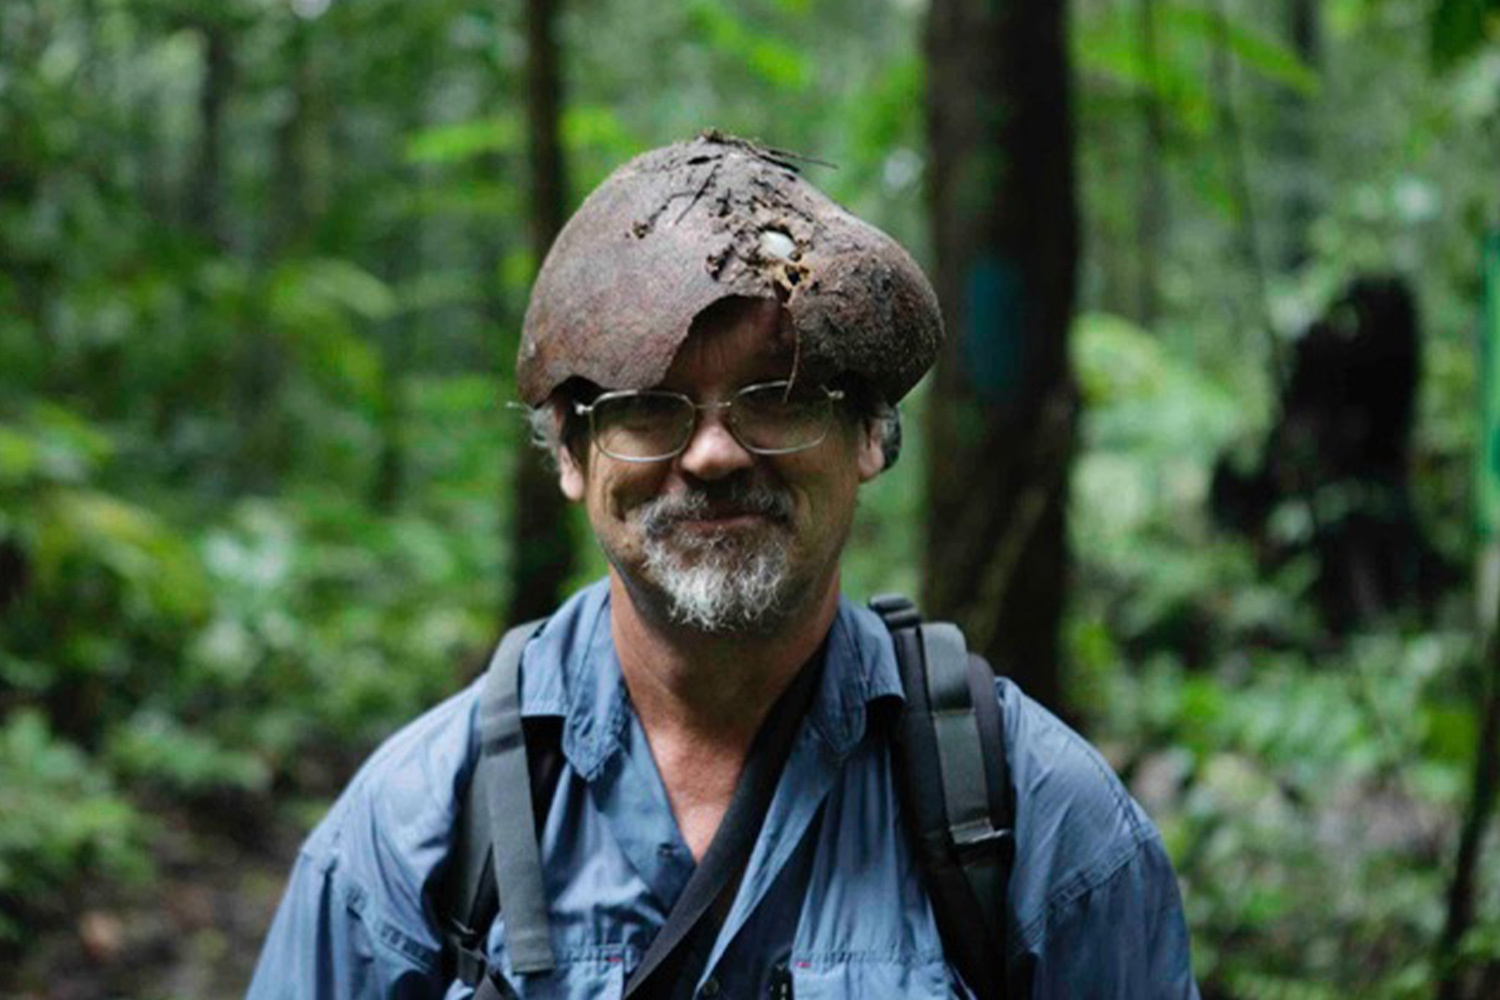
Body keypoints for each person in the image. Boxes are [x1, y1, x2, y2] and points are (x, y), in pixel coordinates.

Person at [247, 133, 1199, 999]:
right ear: (573, 457)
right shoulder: (416, 831)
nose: (712, 456)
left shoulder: (1038, 825)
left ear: (868, 434)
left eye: (777, 396)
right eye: (648, 405)